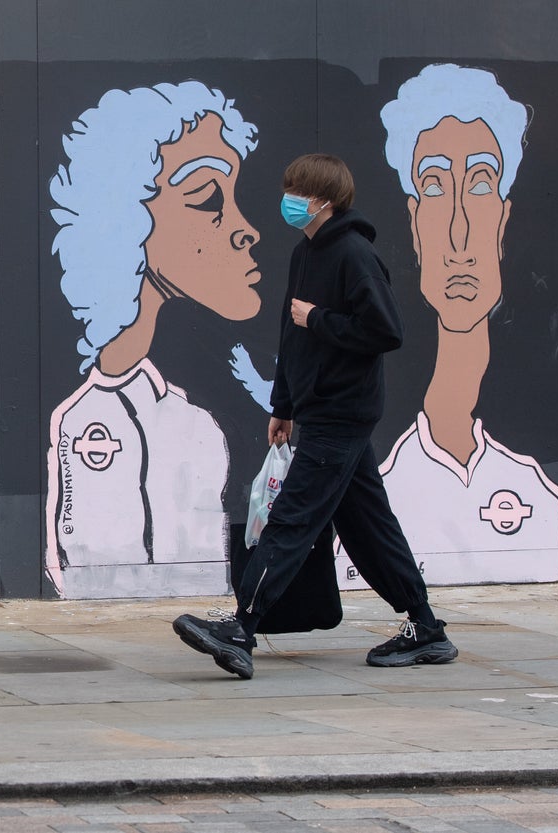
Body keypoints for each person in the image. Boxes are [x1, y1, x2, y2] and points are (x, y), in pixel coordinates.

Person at [173, 153, 458, 678]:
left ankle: (241, 627)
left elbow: (386, 331)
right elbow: (291, 335)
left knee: (292, 517)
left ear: (325, 200)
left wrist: (321, 319)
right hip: (319, 411)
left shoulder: (354, 254)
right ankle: (426, 628)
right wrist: (283, 406)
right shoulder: (306, 254)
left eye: (298, 191)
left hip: (342, 411)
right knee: (369, 526)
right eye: (289, 188)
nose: (290, 199)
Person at [335, 63, 558, 588]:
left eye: (481, 184)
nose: (460, 230)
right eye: (436, 187)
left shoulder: (538, 496)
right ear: (415, 223)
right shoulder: (387, 486)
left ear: (504, 221)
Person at [45, 80, 265, 599]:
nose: (246, 229)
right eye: (208, 196)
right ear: (127, 220)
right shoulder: (75, 421)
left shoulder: (208, 418)